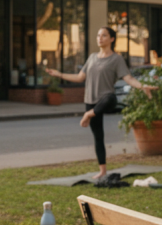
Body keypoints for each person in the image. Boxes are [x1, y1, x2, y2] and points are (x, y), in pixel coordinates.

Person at [46, 27, 156, 180]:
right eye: (98, 35)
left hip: (105, 100)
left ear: (111, 39)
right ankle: (102, 171)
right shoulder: (92, 57)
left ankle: (88, 114)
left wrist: (142, 86)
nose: (100, 38)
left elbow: (129, 78)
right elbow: (79, 77)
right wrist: (59, 74)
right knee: (98, 137)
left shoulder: (116, 59)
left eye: (104, 35)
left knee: (111, 97)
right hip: (90, 100)